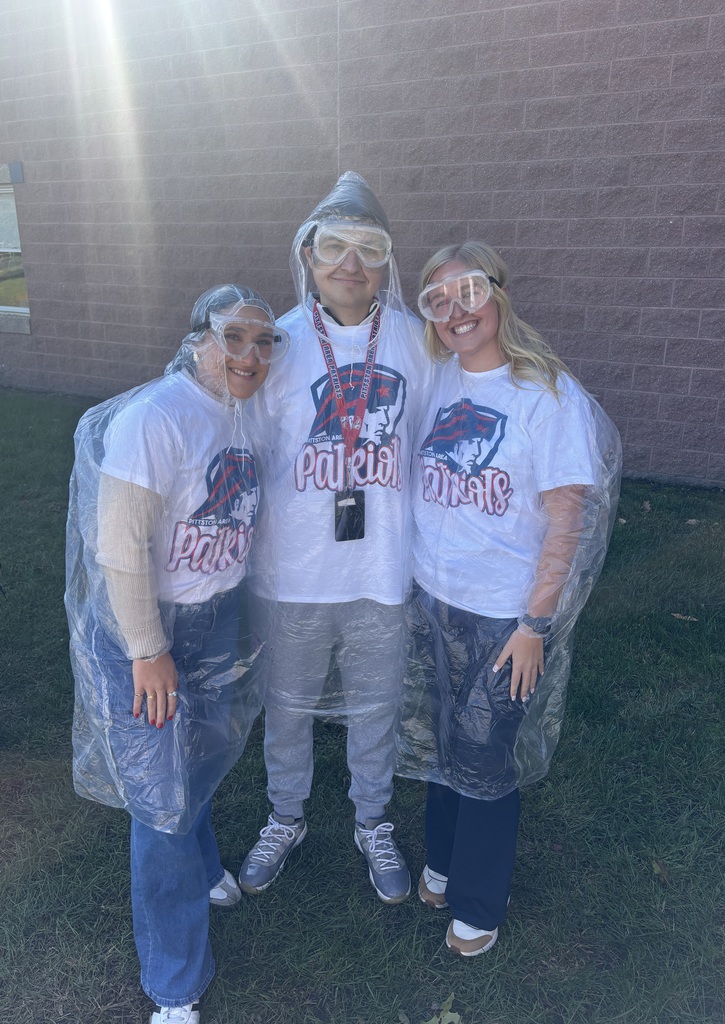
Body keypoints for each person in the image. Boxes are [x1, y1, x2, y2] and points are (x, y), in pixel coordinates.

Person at [65, 286, 288, 1024]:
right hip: (148, 634)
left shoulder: (241, 412)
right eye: (235, 337)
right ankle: (174, 986)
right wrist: (147, 649)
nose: (251, 354)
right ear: (199, 339)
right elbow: (118, 546)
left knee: (199, 762)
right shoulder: (155, 417)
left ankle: (204, 868)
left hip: (214, 622)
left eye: (265, 341)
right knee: (161, 805)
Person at [396, 242, 621, 956]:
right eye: (437, 300)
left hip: (504, 614)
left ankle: (479, 900)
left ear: (497, 293)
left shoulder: (547, 396)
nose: (456, 311)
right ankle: (440, 860)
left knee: (484, 755)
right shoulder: (438, 383)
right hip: (433, 598)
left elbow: (567, 517)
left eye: (466, 291)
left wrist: (534, 623)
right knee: (439, 741)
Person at [240, 172, 432, 904]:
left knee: (376, 705)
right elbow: (235, 444)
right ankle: (284, 815)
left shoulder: (418, 343)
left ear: (387, 261)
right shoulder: (276, 346)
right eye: (333, 246)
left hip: (381, 567)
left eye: (369, 248)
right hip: (295, 571)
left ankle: (372, 819)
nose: (350, 264)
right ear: (307, 256)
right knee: (286, 705)